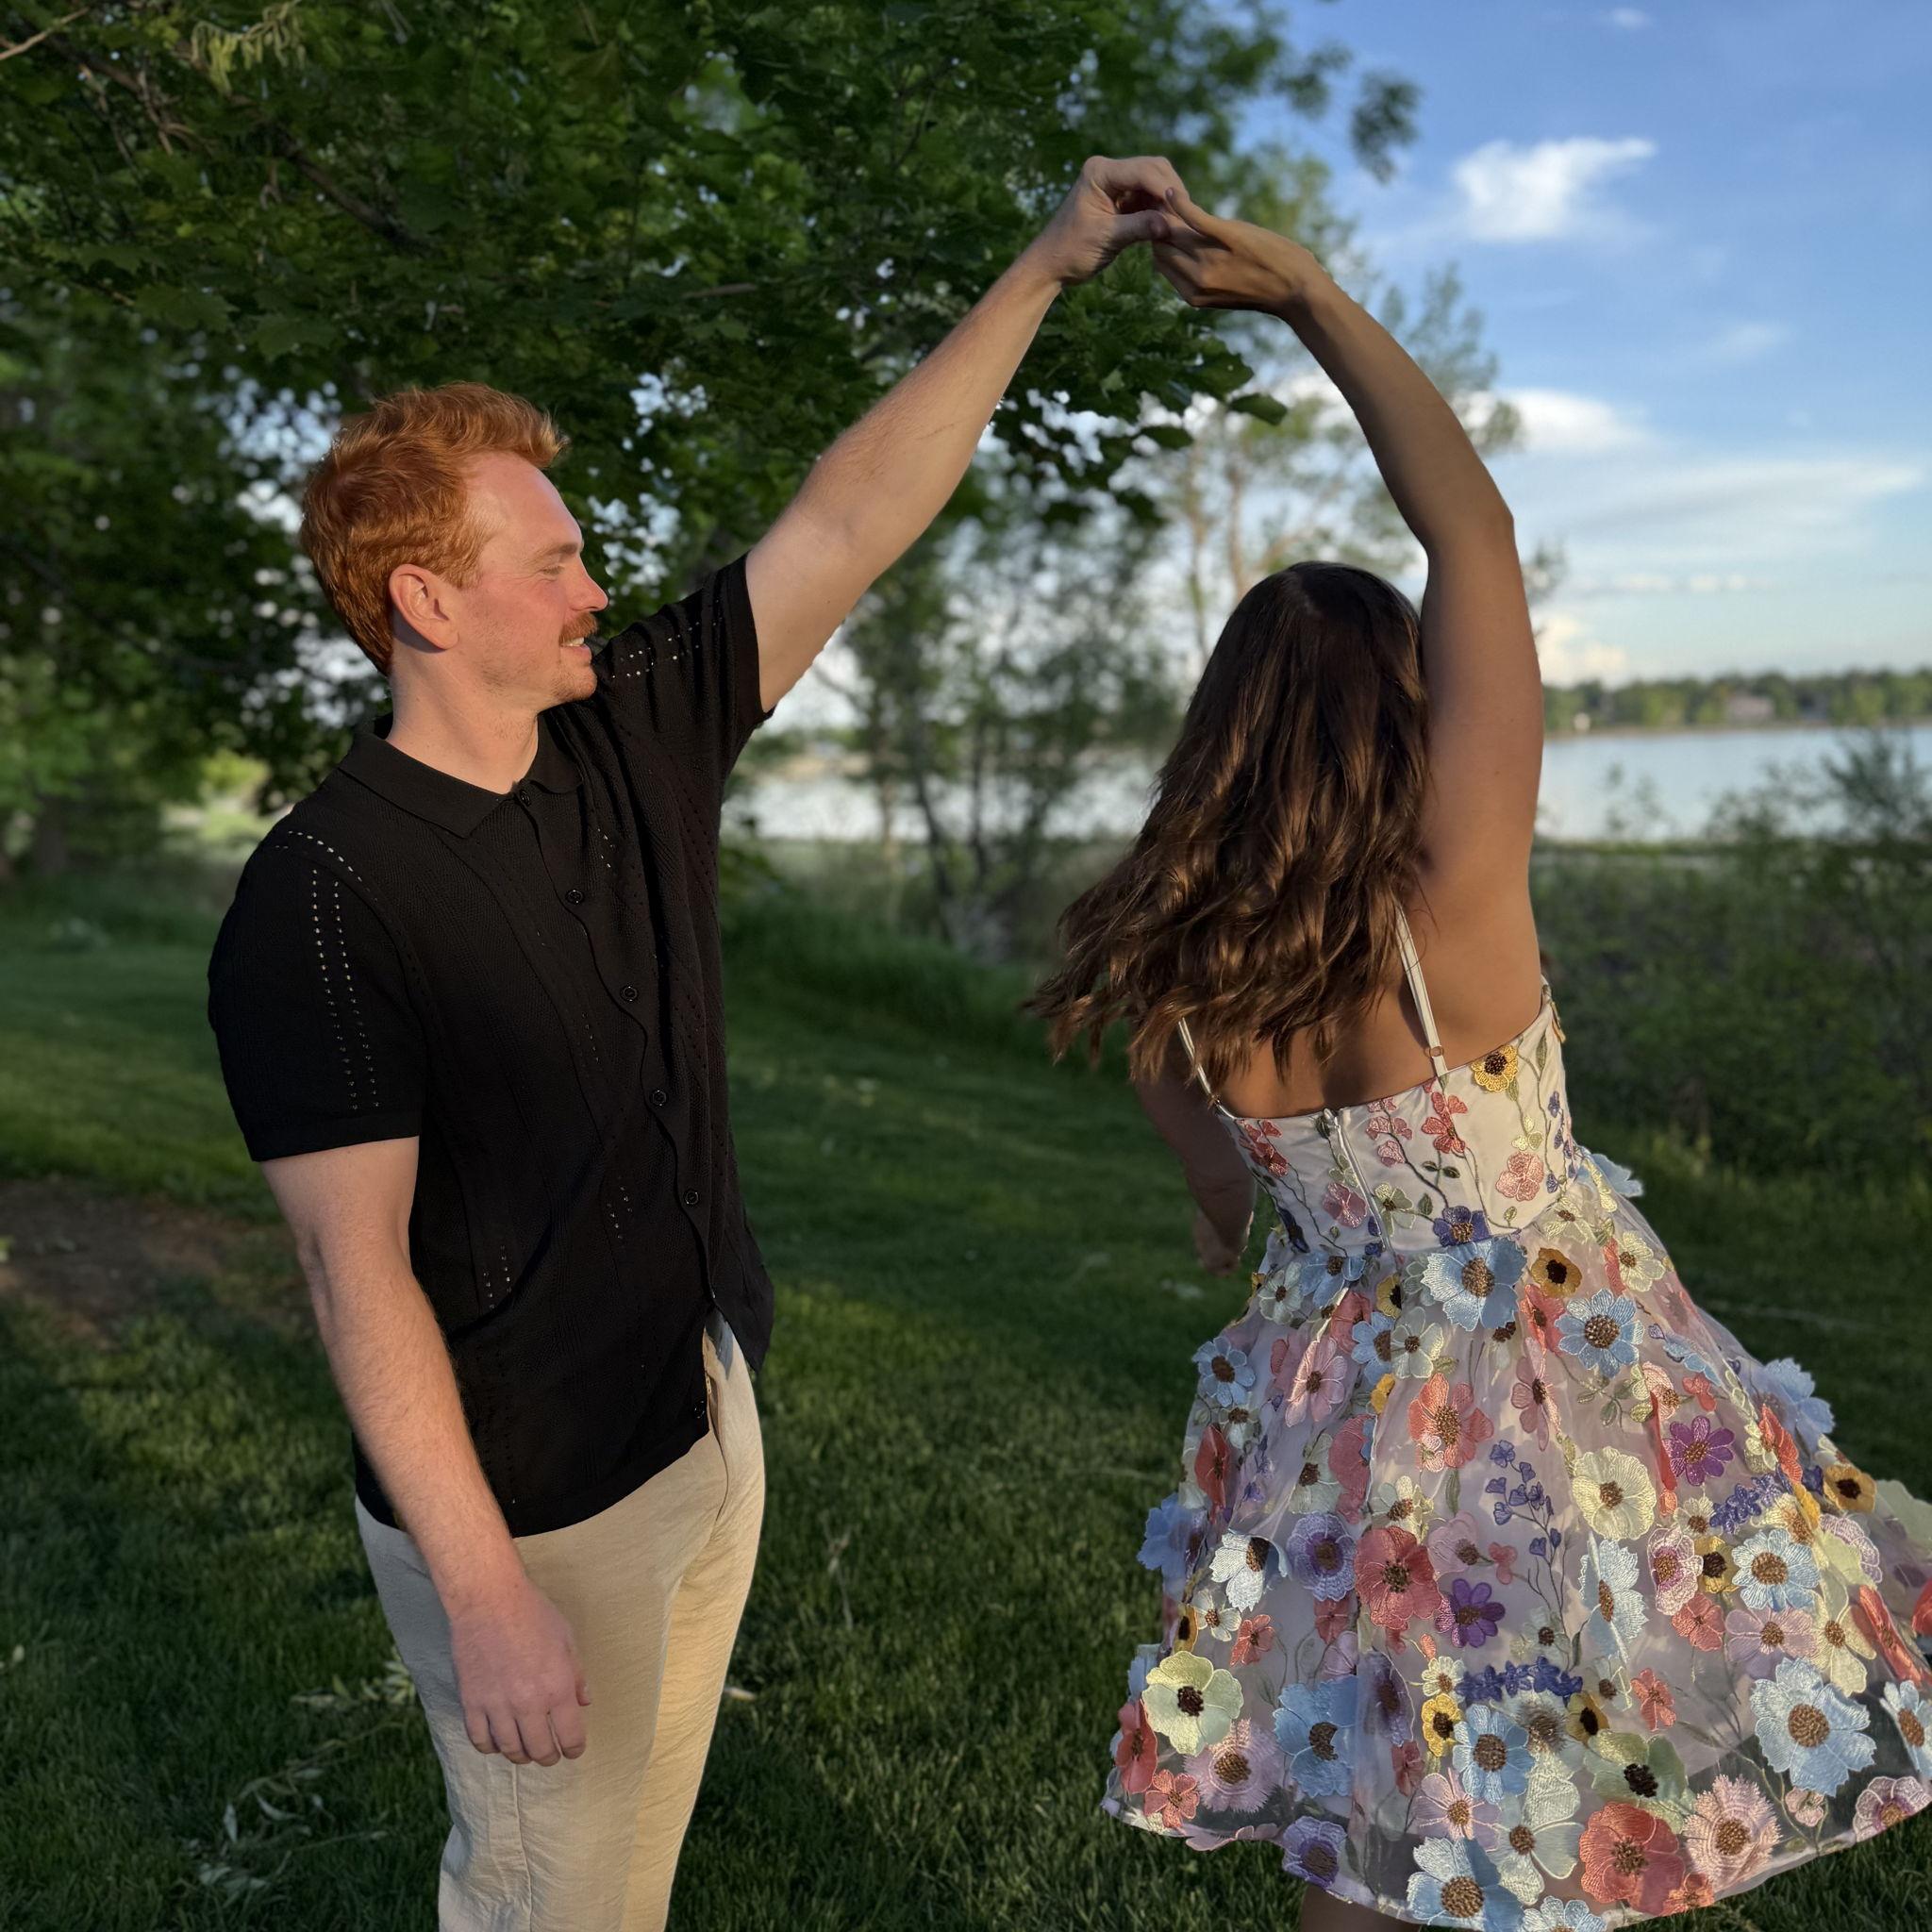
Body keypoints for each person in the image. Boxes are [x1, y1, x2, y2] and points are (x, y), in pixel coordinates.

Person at [203, 154, 1190, 1931]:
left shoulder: (628, 734)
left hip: (699, 1412)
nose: (596, 588)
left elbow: (850, 518)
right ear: (428, 602)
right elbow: (356, 1278)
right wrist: (486, 1593)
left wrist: (1047, 267)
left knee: (626, 1890)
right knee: (547, 1900)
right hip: (538, 1510)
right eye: (555, 561)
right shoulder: (324, 901)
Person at [1025, 187, 1932, 1928]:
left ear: (1223, 750)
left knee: (1374, 1791)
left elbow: (1219, 1195)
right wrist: (1306, 294)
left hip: (1342, 1441)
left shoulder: (1190, 1009)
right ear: (1404, 716)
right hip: (1555, 1417)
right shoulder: (1452, 903)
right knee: (1566, 1792)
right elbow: (1477, 535)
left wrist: (1228, 1213)